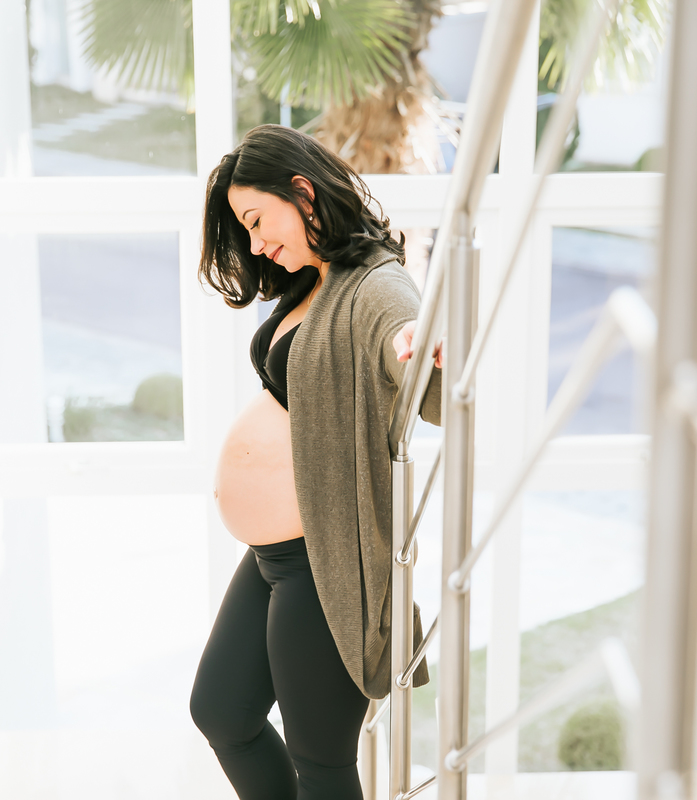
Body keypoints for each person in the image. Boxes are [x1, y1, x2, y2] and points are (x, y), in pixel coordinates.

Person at [189, 124, 443, 800]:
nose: (253, 244)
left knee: (321, 761)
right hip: (274, 558)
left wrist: (420, 347)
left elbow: (407, 345)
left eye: (255, 221)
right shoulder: (315, 280)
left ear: (301, 192)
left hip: (323, 561)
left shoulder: (375, 284)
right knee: (221, 712)